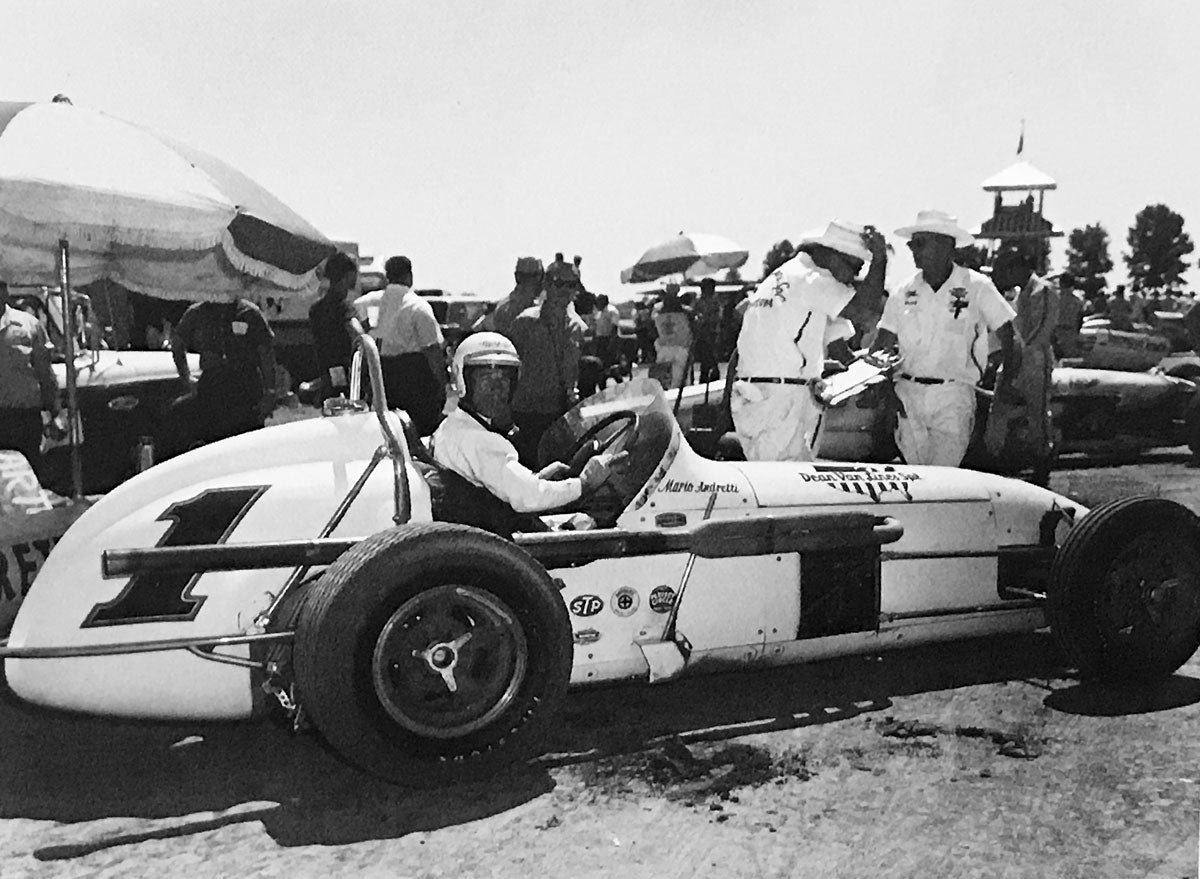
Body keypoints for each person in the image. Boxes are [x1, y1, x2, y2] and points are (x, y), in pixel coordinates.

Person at [428, 332, 625, 535]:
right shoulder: (477, 439)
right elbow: (527, 497)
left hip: (481, 529)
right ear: (462, 380)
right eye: (485, 377)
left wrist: (537, 479)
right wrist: (585, 483)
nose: (497, 387)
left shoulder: (455, 426)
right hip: (494, 538)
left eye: (505, 378)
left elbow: (503, 483)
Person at [871, 210, 1020, 467]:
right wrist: (876, 387)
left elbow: (1012, 341)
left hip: (953, 395)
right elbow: (881, 347)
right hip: (908, 396)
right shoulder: (902, 292)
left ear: (946, 245)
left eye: (920, 243)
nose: (914, 251)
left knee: (943, 476)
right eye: (911, 244)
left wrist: (1004, 387)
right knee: (915, 478)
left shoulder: (977, 286)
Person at [731, 220, 887, 462]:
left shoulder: (784, 275)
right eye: (855, 268)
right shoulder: (813, 280)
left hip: (760, 394)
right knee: (785, 484)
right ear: (836, 256)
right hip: (782, 399)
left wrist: (859, 367)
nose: (852, 279)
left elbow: (836, 347)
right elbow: (865, 310)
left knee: (775, 479)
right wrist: (880, 260)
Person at [165, 295, 276, 456]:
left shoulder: (249, 312)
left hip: (244, 386)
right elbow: (178, 344)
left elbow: (266, 352)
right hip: (213, 385)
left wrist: (270, 392)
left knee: (247, 445)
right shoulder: (198, 313)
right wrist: (187, 378)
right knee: (214, 444)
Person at [504, 260, 587, 467]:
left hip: (561, 413)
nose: (565, 290)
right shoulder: (525, 322)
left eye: (572, 284)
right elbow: (508, 369)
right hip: (527, 413)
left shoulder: (577, 328)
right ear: (547, 284)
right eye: (559, 283)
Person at [986, 249, 1060, 476]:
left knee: (1036, 412)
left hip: (1034, 360)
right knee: (999, 408)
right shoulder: (1019, 296)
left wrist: (1020, 354)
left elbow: (1040, 330)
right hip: (1015, 357)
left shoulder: (1043, 291)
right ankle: (994, 455)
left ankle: (1042, 458)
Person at [374, 255, 446, 436]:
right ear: (409, 276)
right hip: (414, 379)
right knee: (422, 430)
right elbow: (432, 349)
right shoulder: (418, 306)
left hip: (384, 377)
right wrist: (441, 384)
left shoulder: (371, 303)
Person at [0, 281, 60, 477]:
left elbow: (44, 371)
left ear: (5, 290)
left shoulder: (28, 324)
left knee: (29, 476)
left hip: (23, 417)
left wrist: (55, 411)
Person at [307, 251, 359, 402]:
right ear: (348, 275)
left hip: (327, 369)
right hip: (346, 370)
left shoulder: (316, 308)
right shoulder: (344, 307)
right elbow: (356, 333)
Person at [652, 282, 693, 389]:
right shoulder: (686, 311)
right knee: (677, 377)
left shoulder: (657, 310)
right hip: (677, 346)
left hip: (670, 346)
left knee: (673, 377)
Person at [491, 257, 544, 337]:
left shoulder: (540, 305)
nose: (541, 282)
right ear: (518, 277)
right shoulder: (506, 309)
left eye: (541, 276)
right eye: (535, 276)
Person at [693, 278, 723, 383]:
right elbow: (694, 314)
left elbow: (717, 317)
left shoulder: (715, 302)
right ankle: (705, 377)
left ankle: (712, 376)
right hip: (701, 334)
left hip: (712, 333)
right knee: (705, 357)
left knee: (711, 356)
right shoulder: (699, 301)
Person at [592, 293, 621, 370]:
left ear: (604, 302)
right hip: (600, 339)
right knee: (600, 360)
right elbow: (597, 327)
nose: (597, 304)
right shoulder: (598, 312)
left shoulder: (612, 311)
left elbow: (614, 326)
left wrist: (611, 341)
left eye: (599, 302)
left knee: (609, 360)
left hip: (609, 339)